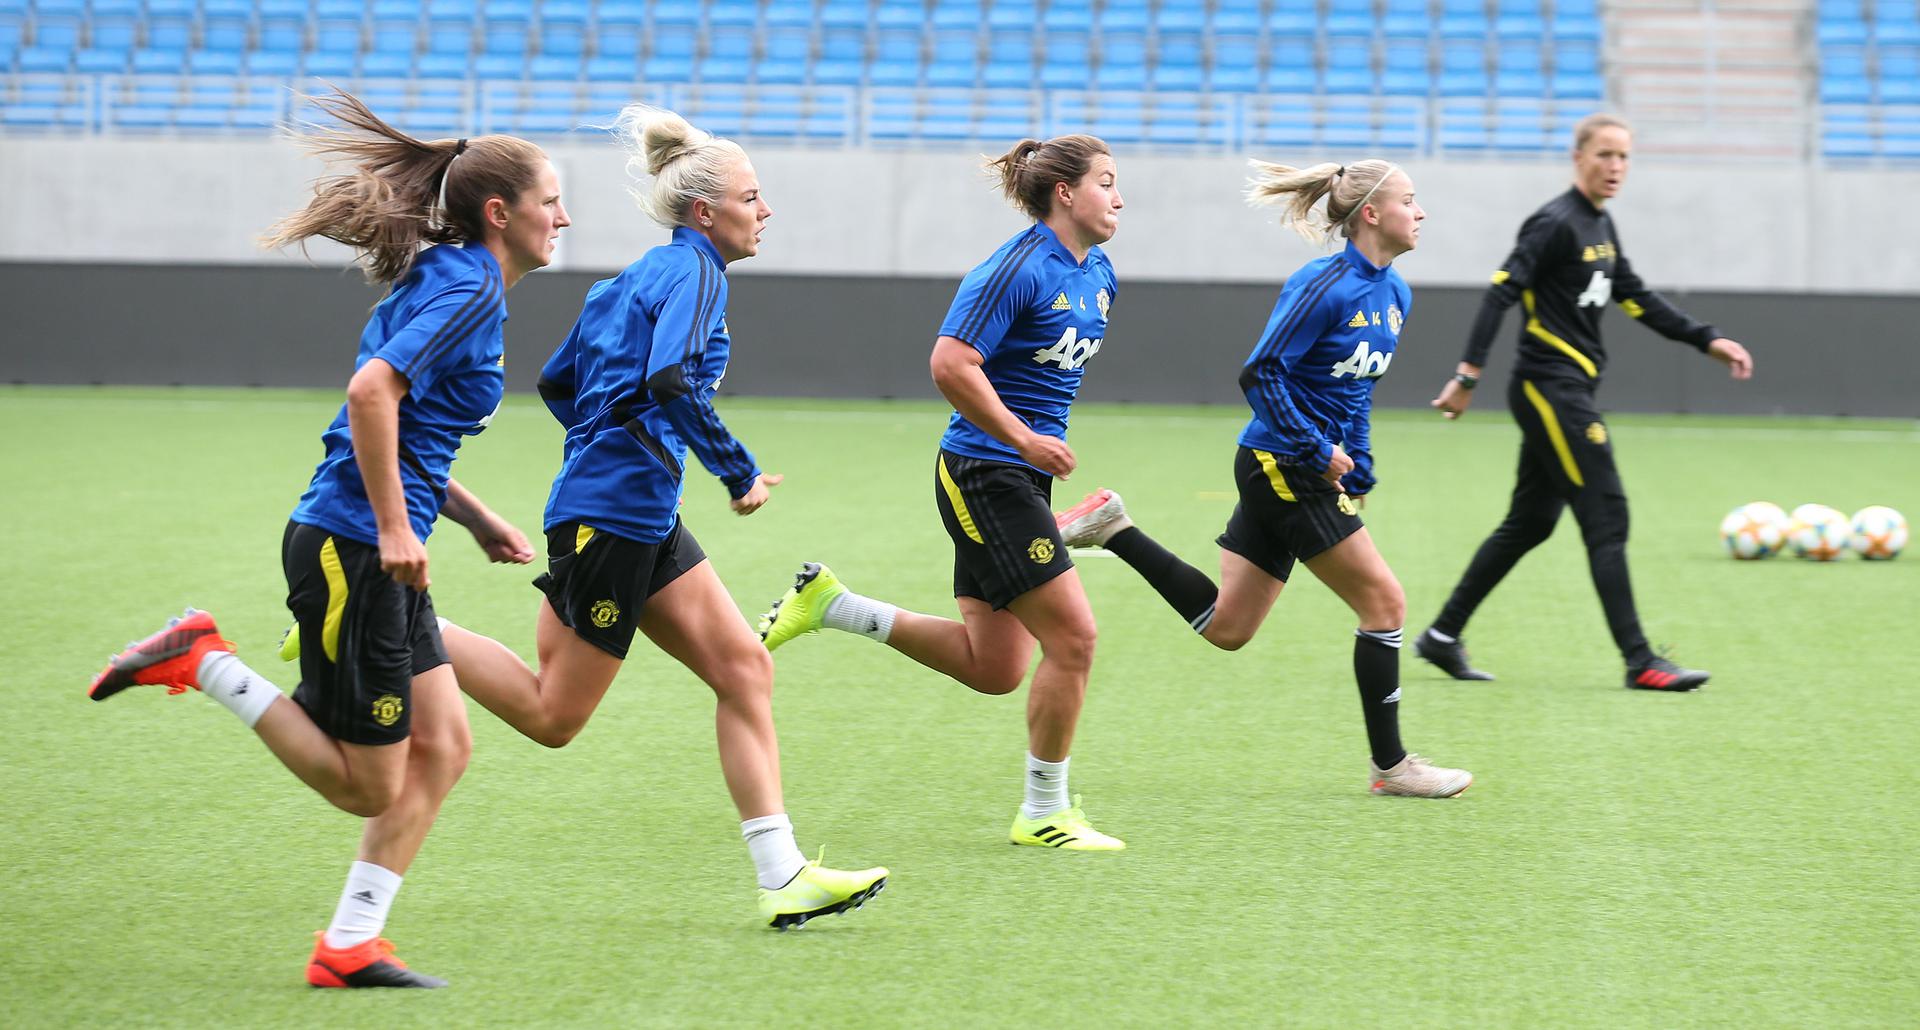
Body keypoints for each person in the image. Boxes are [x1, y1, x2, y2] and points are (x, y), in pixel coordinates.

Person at [88, 92, 567, 987]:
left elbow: (406, 424)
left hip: (370, 546)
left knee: (447, 748)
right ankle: (205, 659)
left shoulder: (457, 276)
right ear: (501, 212)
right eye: (551, 200)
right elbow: (369, 396)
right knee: (368, 785)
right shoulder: (468, 289)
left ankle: (350, 944)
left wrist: (470, 518)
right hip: (354, 550)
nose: (563, 218)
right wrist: (394, 526)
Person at [413, 105, 887, 929]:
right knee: (554, 716)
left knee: (745, 669)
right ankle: (391, 622)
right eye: (752, 197)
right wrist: (734, 472)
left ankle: (783, 876)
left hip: (628, 510)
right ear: (705, 213)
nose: (765, 211)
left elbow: (559, 384)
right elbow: (671, 380)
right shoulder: (697, 276)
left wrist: (615, 454)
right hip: (619, 514)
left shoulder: (624, 280)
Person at [1048, 158, 1473, 798]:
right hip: (1281, 464)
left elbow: (1356, 393)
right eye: (1410, 201)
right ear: (1372, 214)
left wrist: (1359, 460)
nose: (1421, 213)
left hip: (1309, 467)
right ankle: (1393, 768)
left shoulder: (1396, 294)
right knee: (1384, 603)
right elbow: (1261, 373)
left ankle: (1113, 529)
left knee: (1228, 628)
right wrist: (1313, 447)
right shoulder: (1323, 283)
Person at [757, 135, 1129, 850]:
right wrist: (1023, 440)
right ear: (1065, 194)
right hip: (984, 474)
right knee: (1075, 639)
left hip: (1021, 475)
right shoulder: (1013, 269)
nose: (1119, 198)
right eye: (1107, 183)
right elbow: (950, 364)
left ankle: (834, 606)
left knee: (994, 669)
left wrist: (1033, 453)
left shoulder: (1100, 271)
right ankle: (1044, 813)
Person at [1416, 113, 1754, 691]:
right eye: (1604, 155)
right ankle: (1640, 660)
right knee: (1607, 513)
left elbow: (1634, 297)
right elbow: (1501, 294)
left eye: (1624, 156)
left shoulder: (1601, 224)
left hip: (1567, 389)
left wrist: (1706, 338)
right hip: (1550, 388)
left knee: (1530, 523)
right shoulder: (1553, 223)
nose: (1616, 167)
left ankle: (1443, 637)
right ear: (1578, 158)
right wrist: (1467, 376)